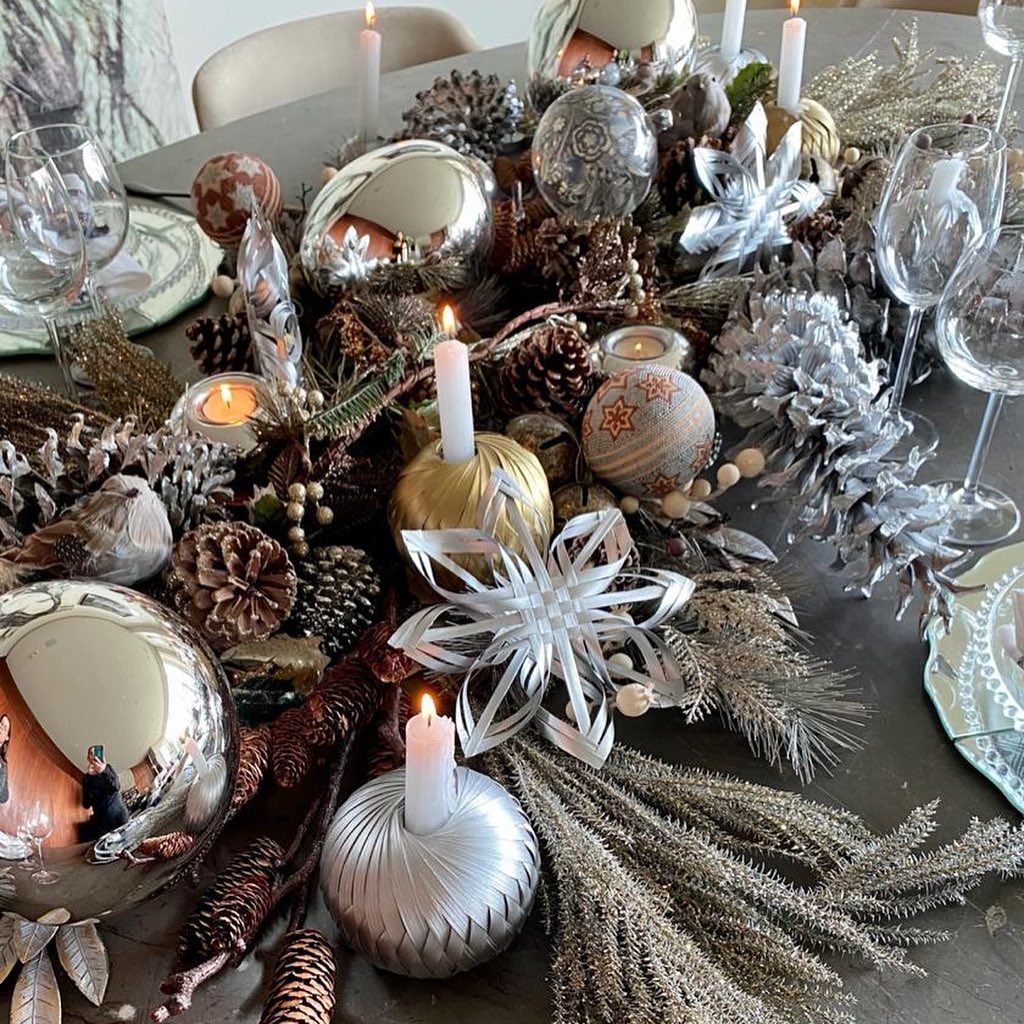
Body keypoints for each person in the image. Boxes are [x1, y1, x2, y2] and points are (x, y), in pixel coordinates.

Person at [81, 747, 129, 841]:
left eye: (96, 753)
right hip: (101, 821)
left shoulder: (108, 768)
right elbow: (86, 804)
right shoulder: (86, 778)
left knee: (124, 842)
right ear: (88, 758)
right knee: (101, 844)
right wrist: (91, 779)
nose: (94, 756)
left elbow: (116, 786)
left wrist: (103, 771)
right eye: (91, 754)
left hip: (119, 817)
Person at [0, 715, 9, 804]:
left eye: (5, 728)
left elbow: (4, 797)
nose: (1, 727)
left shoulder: (3, 765)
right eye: (1, 723)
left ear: (7, 737)